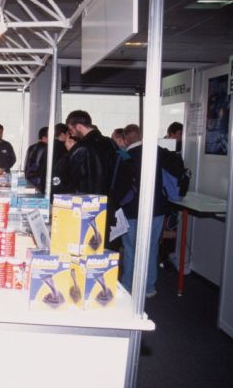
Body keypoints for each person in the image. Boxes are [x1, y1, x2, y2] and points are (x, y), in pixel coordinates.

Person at [120, 124, 167, 298]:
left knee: (130, 248)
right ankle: (149, 287)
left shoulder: (124, 156)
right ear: (140, 136)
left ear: (125, 139)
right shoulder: (156, 153)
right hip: (156, 208)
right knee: (151, 248)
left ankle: (127, 286)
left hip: (131, 210)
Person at [53, 110, 119, 196]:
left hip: (86, 200)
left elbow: (61, 174)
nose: (71, 134)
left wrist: (70, 151)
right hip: (109, 199)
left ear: (79, 127)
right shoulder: (110, 142)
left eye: (71, 129)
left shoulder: (80, 147)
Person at [24, 126, 48, 193]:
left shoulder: (31, 147)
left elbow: (26, 165)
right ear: (44, 138)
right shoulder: (47, 148)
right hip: (40, 181)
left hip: (29, 180)